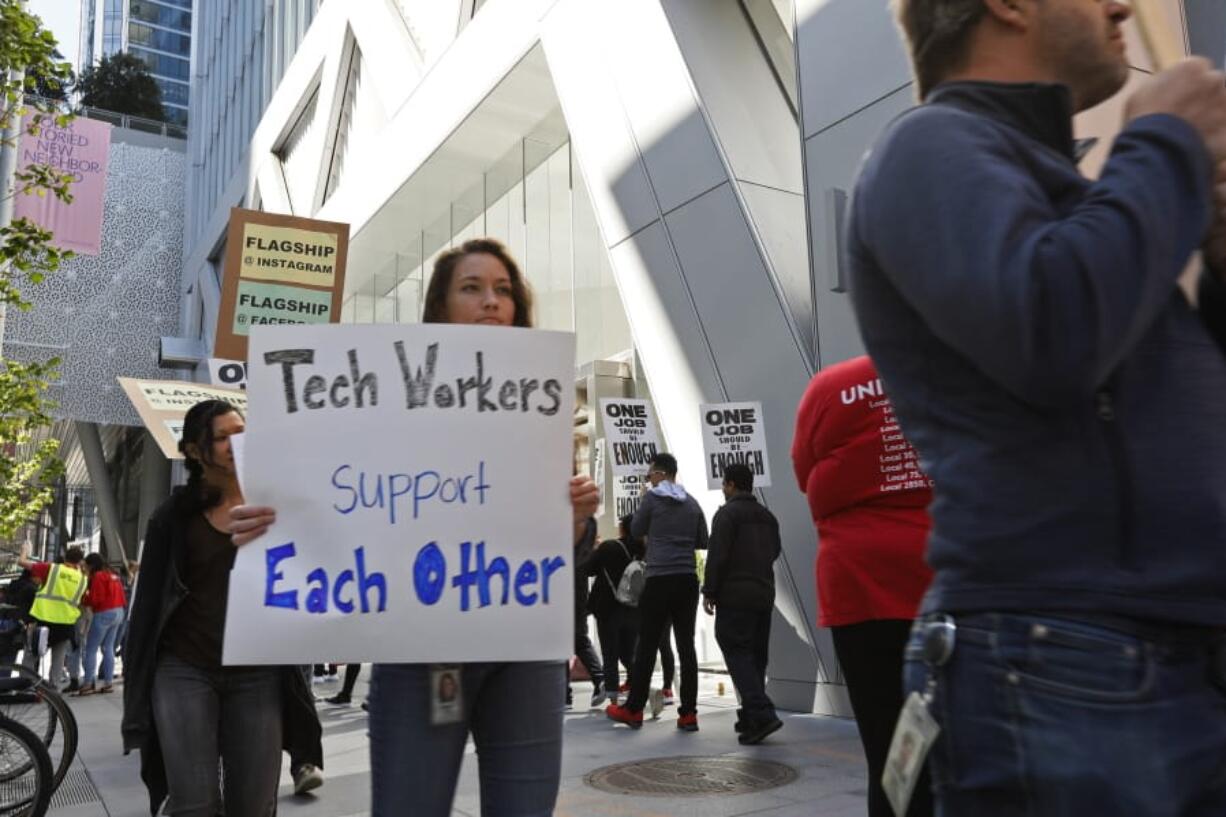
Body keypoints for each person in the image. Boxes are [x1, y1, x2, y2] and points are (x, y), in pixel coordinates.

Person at [849, 2, 1226, 814]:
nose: (1124, 7)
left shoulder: (1086, 197)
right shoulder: (928, 146)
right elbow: (1054, 330)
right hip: (1064, 656)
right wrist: (1161, 143)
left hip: (1150, 650)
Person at [229, 237, 601, 817]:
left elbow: (564, 553)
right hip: (421, 651)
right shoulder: (384, 405)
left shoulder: (540, 408)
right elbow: (333, 499)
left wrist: (578, 521)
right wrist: (270, 528)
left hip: (523, 651)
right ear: (439, 309)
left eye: (503, 290)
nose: (491, 302)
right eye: (472, 288)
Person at [121, 399, 323, 816]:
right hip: (185, 669)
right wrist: (138, 690)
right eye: (223, 436)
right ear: (195, 451)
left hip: (258, 674)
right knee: (195, 802)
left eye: (242, 432)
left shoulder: (278, 507)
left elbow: (314, 572)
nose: (237, 442)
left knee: (252, 804)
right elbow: (147, 610)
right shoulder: (172, 518)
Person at [791, 355, 933, 817]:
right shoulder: (956, 371)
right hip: (947, 578)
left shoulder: (832, 386)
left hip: (861, 587)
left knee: (890, 748)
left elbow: (801, 469)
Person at [606, 452, 708, 731]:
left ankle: (634, 709)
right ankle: (688, 714)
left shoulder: (652, 499)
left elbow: (636, 528)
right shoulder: (692, 502)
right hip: (687, 580)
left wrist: (646, 506)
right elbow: (703, 540)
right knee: (686, 647)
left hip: (660, 578)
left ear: (661, 474)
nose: (648, 480)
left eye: (649, 474)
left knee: (648, 644)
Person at [701, 463, 782, 746]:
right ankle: (751, 719)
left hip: (735, 596)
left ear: (732, 485)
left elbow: (717, 556)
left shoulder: (726, 515)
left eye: (724, 484)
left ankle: (761, 712)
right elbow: (775, 551)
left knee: (735, 649)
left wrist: (709, 591)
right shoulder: (767, 517)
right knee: (756, 657)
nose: (723, 490)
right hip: (763, 593)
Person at [582, 514, 640, 704]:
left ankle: (613, 698)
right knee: (628, 653)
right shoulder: (642, 549)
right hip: (633, 607)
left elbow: (588, 569)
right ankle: (640, 686)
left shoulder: (609, 547)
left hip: (608, 608)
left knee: (610, 653)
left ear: (622, 528)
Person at [18, 543, 87, 691]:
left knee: (32, 653)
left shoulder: (52, 569)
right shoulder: (82, 579)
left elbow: (22, 563)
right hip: (65, 622)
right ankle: (54, 689)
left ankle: (25, 686)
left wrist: (24, 551)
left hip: (43, 619)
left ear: (65, 557)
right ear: (80, 562)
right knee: (58, 657)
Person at [77, 553, 127, 695]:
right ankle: (108, 682)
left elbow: (95, 599)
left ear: (91, 565)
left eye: (86, 566)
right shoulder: (113, 574)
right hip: (118, 611)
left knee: (91, 648)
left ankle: (88, 683)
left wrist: (84, 599)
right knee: (108, 647)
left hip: (104, 612)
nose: (85, 568)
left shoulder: (98, 576)